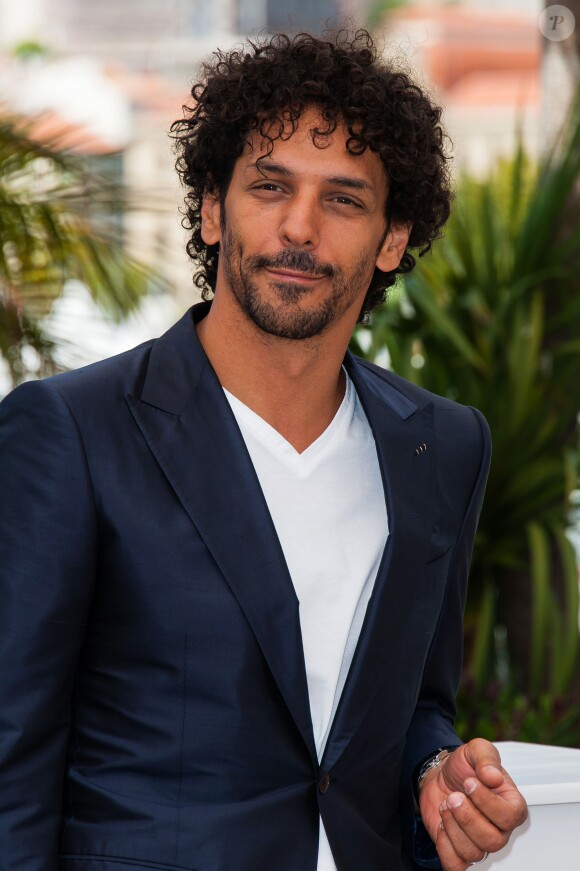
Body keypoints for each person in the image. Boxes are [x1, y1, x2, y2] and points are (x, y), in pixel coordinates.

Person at [0, 29, 527, 871]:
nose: (299, 227)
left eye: (345, 199)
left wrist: (438, 768)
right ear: (213, 209)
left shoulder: (443, 445)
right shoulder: (70, 432)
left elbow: (417, 702)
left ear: (392, 239)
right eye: (268, 186)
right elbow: (11, 761)